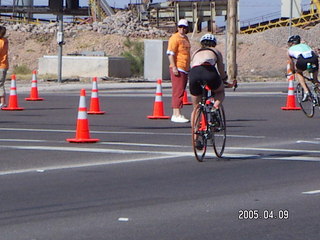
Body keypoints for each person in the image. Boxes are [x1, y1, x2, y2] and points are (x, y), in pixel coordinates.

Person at [189, 33, 228, 111]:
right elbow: (220, 68)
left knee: (196, 106)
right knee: (220, 91)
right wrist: (224, 78)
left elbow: (191, 65)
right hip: (209, 71)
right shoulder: (215, 51)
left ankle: (195, 119)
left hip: (194, 72)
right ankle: (215, 107)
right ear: (214, 43)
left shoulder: (195, 52)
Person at [167, 19, 191, 123]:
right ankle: (176, 113)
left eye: (184, 27)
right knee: (178, 91)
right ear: (177, 27)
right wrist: (174, 66)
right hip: (178, 67)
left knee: (181, 90)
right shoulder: (174, 38)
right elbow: (170, 53)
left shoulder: (185, 38)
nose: (182, 29)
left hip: (185, 68)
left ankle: (178, 112)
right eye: (180, 27)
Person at [287, 35, 319, 101]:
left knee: (299, 73)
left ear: (292, 43)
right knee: (315, 79)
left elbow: (291, 63)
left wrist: (293, 71)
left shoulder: (289, 50)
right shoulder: (305, 45)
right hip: (313, 58)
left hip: (302, 59)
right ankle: (316, 86)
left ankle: (306, 91)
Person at [0, 26, 8, 109]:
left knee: (0, 84)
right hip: (4, 64)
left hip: (1, 65)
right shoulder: (5, 41)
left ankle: (2, 102)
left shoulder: (1, 42)